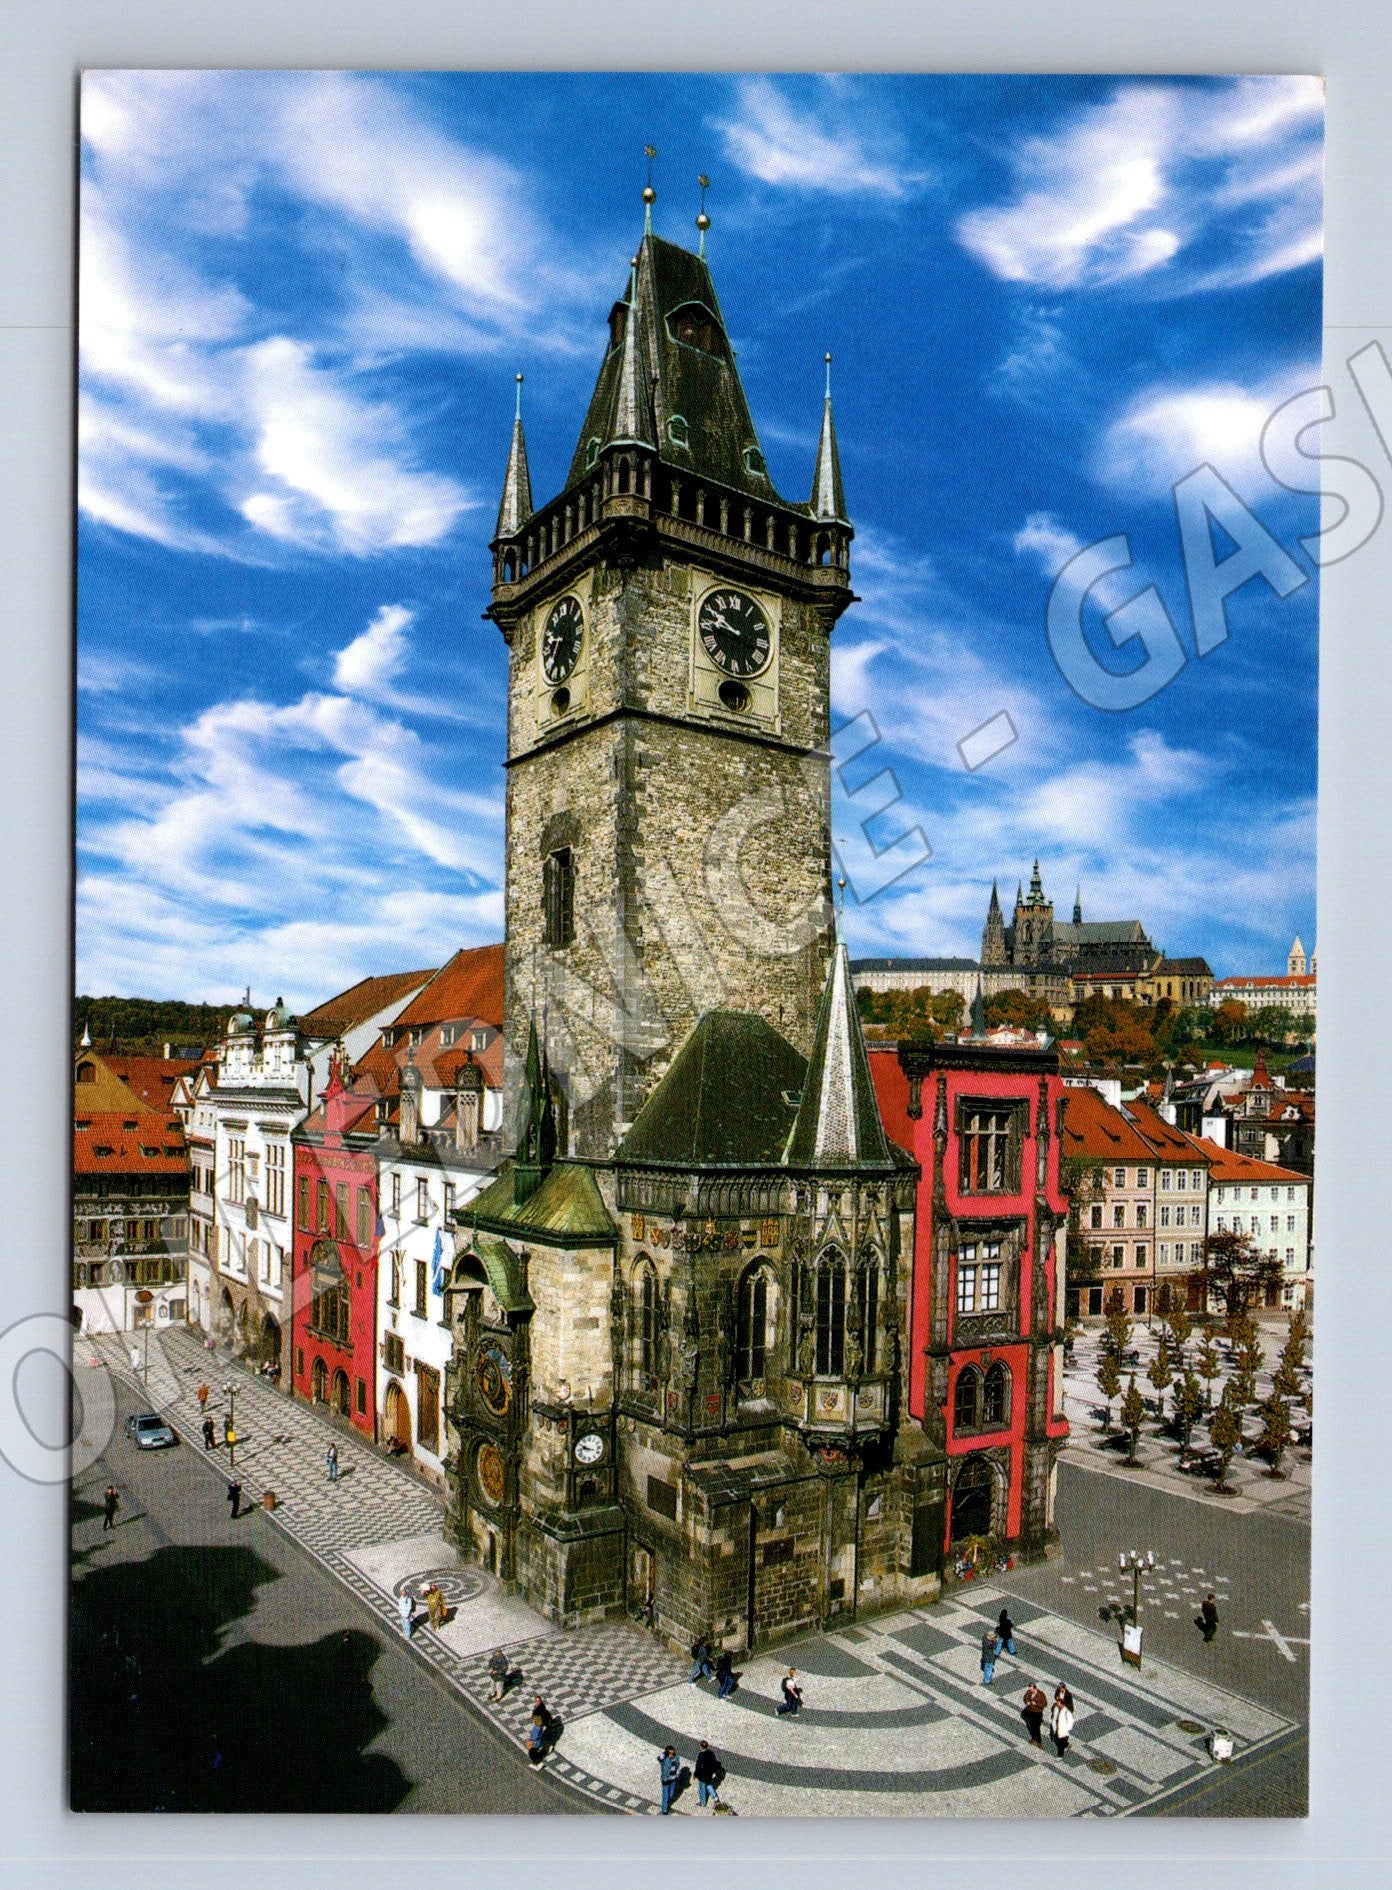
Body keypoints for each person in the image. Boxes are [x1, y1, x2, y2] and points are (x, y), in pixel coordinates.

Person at [693, 1740, 723, 1810]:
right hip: (709, 1774)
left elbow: (698, 1766)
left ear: (701, 1746)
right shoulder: (711, 1753)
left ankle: (702, 1803)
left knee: (702, 1788)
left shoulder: (701, 1755)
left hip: (703, 1775)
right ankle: (716, 1799)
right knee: (709, 1785)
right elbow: (714, 1762)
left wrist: (695, 1774)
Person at [1050, 1683, 1075, 1757]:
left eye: (1061, 1688)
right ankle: (1066, 1744)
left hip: (1064, 1710)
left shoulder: (1068, 1694)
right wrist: (1057, 1698)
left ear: (1064, 1688)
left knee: (1060, 1737)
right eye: (1059, 1687)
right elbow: (1055, 1696)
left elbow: (1070, 1704)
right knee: (1058, 1736)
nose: (1059, 1689)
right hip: (1059, 1710)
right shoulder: (1058, 1691)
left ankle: (1060, 1754)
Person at [1021, 1680, 1047, 1747]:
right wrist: (1027, 1702)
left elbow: (1044, 1704)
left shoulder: (1041, 1695)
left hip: (1037, 1713)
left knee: (1037, 1728)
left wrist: (1036, 1704)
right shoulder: (1028, 1692)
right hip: (1030, 1711)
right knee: (1031, 1726)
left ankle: (1039, 1742)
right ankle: (1033, 1738)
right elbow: (1025, 1698)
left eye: (1032, 1690)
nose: (1031, 1691)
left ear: (1035, 1688)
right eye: (1030, 1690)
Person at [657, 1745, 681, 1814]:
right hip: (666, 1779)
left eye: (672, 1753)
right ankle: (664, 1811)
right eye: (669, 1753)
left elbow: (677, 1765)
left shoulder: (676, 1757)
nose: (671, 1754)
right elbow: (659, 1758)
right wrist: (664, 1753)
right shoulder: (664, 1759)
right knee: (666, 1796)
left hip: (673, 1779)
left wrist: (677, 1773)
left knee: (671, 1794)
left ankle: (667, 1805)